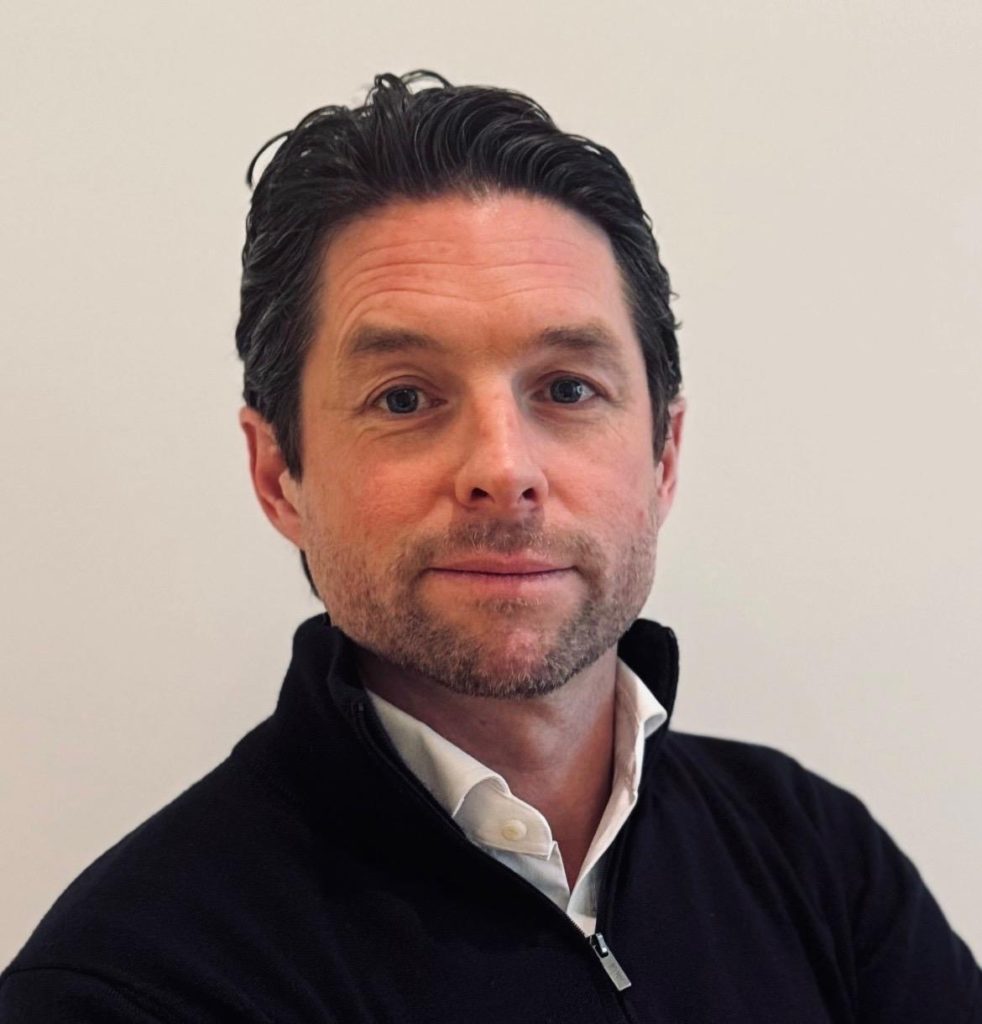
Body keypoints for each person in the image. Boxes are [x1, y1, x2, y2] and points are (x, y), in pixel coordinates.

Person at [1, 68, 978, 1023]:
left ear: (664, 456)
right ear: (278, 475)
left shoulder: (817, 858)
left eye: (567, 388)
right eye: (404, 398)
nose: (502, 470)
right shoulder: (129, 986)